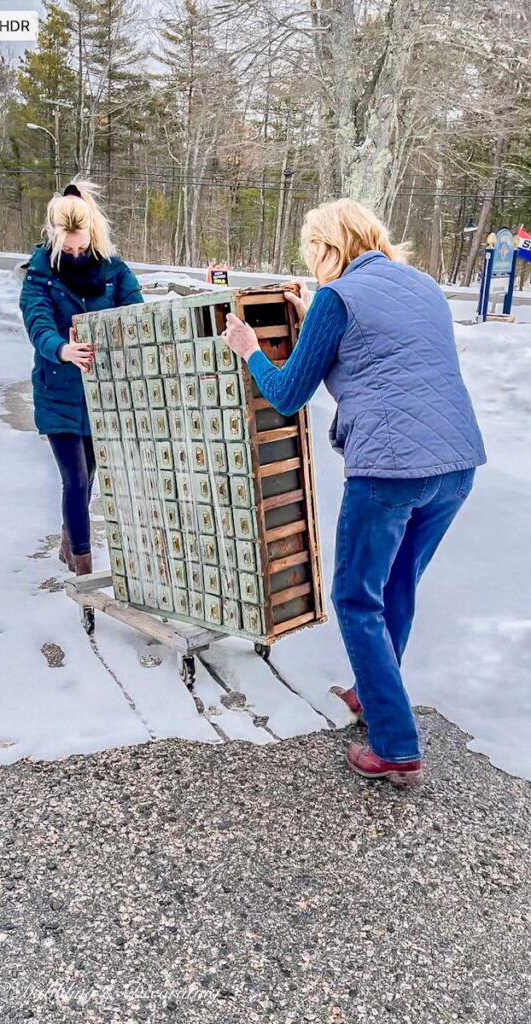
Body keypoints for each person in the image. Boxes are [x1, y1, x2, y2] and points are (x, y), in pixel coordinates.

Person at [222, 198, 486, 788]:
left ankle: (395, 748)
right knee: (396, 584)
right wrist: (314, 314)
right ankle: (374, 693)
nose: (310, 259)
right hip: (457, 465)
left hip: (391, 469)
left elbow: (288, 394)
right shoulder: (421, 285)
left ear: (327, 246)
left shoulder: (339, 299)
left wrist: (250, 351)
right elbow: (383, 347)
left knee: (356, 599)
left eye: (311, 249)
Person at [19, 179, 143, 579]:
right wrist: (62, 349)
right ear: (54, 238)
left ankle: (68, 538)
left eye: (81, 247)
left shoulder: (113, 271)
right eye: (67, 248)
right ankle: (83, 568)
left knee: (88, 475)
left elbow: (137, 313)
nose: (74, 254)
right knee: (73, 478)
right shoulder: (40, 275)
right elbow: (38, 323)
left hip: (100, 394)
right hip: (59, 389)